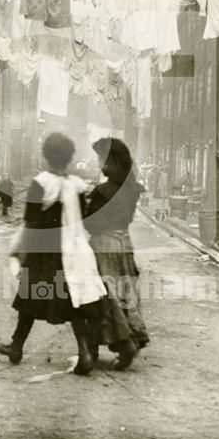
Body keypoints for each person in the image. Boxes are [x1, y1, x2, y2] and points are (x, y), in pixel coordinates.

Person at [0, 133, 105, 375]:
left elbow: (30, 223)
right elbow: (84, 218)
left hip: (46, 253)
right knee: (73, 302)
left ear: (46, 156)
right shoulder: (76, 184)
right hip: (73, 252)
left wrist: (22, 255)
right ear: (69, 158)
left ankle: (17, 346)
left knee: (29, 299)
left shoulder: (41, 183)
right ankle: (84, 351)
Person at [84, 138, 150, 370]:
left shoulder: (104, 191)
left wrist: (85, 203)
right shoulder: (131, 189)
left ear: (110, 161)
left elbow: (92, 224)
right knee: (126, 291)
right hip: (124, 243)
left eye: (100, 158)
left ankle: (122, 341)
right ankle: (134, 333)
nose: (98, 163)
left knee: (105, 295)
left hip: (104, 247)